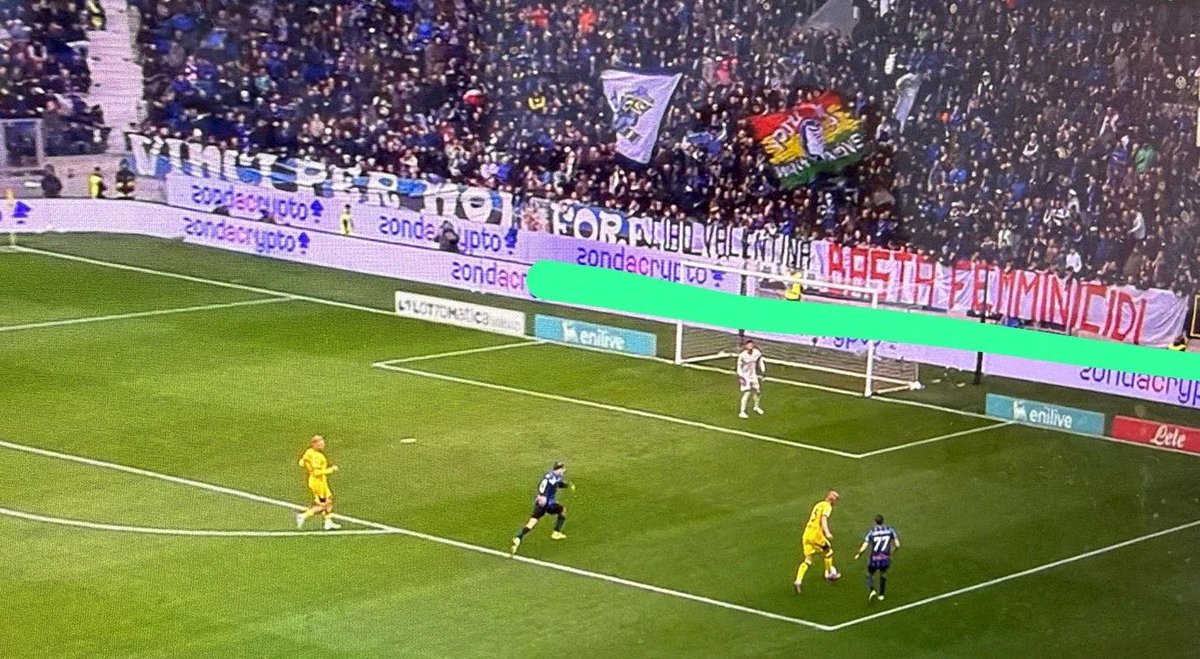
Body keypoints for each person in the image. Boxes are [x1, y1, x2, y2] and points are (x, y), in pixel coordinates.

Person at [511, 461, 574, 555]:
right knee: (562, 510)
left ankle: (519, 537)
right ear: (559, 469)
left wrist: (566, 485)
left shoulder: (548, 475)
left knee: (532, 521)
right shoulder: (556, 477)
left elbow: (548, 486)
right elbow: (556, 484)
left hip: (539, 502)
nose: (564, 471)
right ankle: (556, 532)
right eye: (562, 469)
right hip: (548, 503)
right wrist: (567, 485)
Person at [795, 490, 840, 594]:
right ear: (832, 499)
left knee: (808, 560)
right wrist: (827, 532)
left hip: (806, 534)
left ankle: (798, 580)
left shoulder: (818, 504)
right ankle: (829, 574)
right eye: (836, 499)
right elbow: (823, 519)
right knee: (828, 551)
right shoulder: (827, 506)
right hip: (816, 535)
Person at [296, 435, 341, 530]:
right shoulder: (316, 456)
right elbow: (316, 472)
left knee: (329, 500)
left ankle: (328, 522)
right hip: (318, 482)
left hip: (319, 481)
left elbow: (301, 462)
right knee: (323, 505)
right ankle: (303, 516)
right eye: (321, 443)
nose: (323, 445)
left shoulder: (309, 452)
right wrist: (330, 470)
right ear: (314, 444)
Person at [854, 515, 900, 602]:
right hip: (885, 557)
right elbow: (897, 545)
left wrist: (859, 554)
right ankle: (881, 594)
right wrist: (893, 551)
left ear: (875, 522)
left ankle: (872, 590)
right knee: (883, 574)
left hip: (875, 558)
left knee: (869, 574)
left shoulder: (872, 532)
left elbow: (865, 545)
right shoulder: (890, 530)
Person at [737, 340, 765, 419]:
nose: (750, 346)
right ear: (745, 346)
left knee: (757, 391)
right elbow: (739, 367)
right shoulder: (742, 355)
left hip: (753, 375)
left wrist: (763, 370)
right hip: (745, 376)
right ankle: (742, 412)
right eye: (748, 345)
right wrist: (741, 377)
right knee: (747, 393)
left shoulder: (756, 353)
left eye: (751, 344)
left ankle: (756, 407)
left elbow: (760, 361)